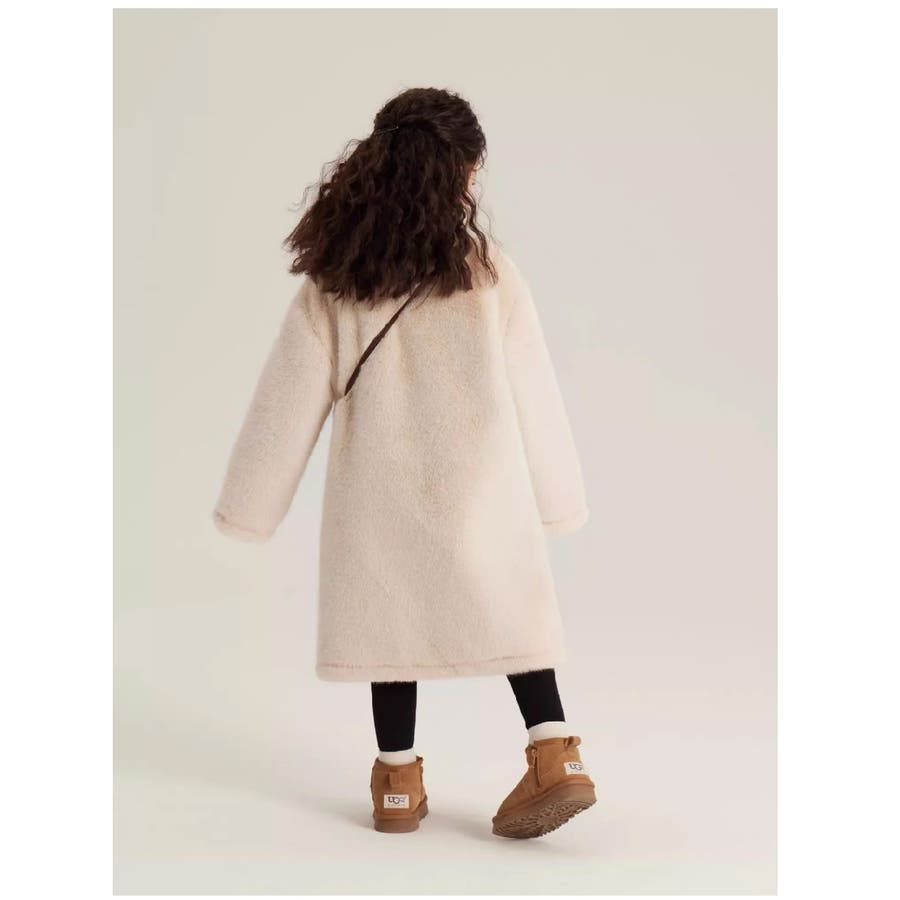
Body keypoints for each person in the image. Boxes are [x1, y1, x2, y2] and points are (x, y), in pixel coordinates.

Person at [213, 87, 595, 838]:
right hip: (482, 492)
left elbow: (284, 404)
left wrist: (248, 510)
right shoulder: (489, 273)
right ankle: (557, 753)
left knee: (385, 620)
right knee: (512, 609)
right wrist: (558, 500)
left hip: (377, 494)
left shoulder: (338, 281)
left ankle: (396, 783)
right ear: (460, 174)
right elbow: (536, 391)